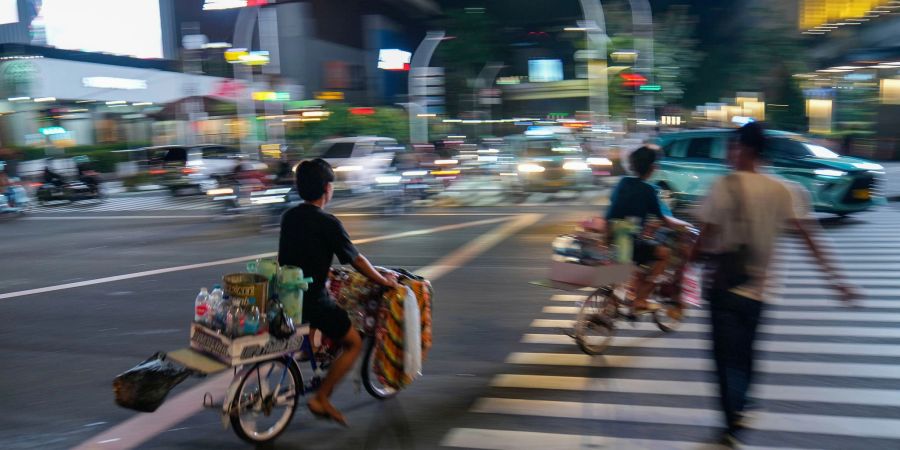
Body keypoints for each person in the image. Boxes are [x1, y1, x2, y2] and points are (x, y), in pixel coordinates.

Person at [690, 122, 859, 446]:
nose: (730, 152)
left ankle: (733, 419)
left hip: (724, 287)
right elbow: (811, 239)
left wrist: (684, 267)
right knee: (746, 354)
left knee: (725, 359)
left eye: (734, 146)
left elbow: (703, 239)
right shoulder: (785, 189)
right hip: (761, 291)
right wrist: (837, 282)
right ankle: (741, 406)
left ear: (745, 149)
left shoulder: (724, 185)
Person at [278, 158, 397, 426]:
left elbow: (296, 256)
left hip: (286, 295)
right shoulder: (328, 223)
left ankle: (316, 364)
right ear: (327, 188)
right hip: (313, 301)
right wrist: (382, 281)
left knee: (325, 323)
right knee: (353, 342)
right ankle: (321, 397)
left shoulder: (289, 217)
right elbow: (356, 260)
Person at [605, 145, 691, 313]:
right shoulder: (648, 190)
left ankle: (611, 307)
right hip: (629, 243)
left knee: (632, 262)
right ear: (652, 168)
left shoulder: (622, 183)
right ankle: (641, 299)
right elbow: (664, 219)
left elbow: (617, 208)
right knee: (663, 254)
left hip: (613, 237)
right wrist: (684, 226)